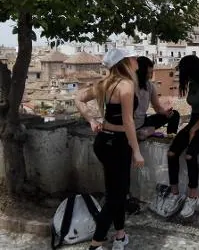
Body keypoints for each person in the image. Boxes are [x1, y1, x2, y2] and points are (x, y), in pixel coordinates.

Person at [75, 49, 144, 250]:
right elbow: (128, 121)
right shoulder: (126, 85)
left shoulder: (105, 84)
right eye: (133, 57)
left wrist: (91, 120)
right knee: (116, 195)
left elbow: (78, 98)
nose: (136, 60)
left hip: (103, 141)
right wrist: (137, 150)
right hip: (119, 144)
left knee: (117, 190)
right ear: (124, 62)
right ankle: (97, 242)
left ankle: (120, 235)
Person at [162, 55, 199, 218]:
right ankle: (174, 193)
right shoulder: (193, 84)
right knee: (172, 153)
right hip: (195, 121)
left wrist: (194, 129)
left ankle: (193, 196)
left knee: (190, 155)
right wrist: (191, 128)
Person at [134, 56, 180, 140]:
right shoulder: (129, 85)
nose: (150, 76)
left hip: (143, 122)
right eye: (148, 73)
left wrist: (166, 113)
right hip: (130, 124)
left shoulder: (150, 86)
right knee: (148, 127)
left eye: (151, 73)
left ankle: (170, 139)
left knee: (174, 114)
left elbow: (157, 107)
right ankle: (146, 131)